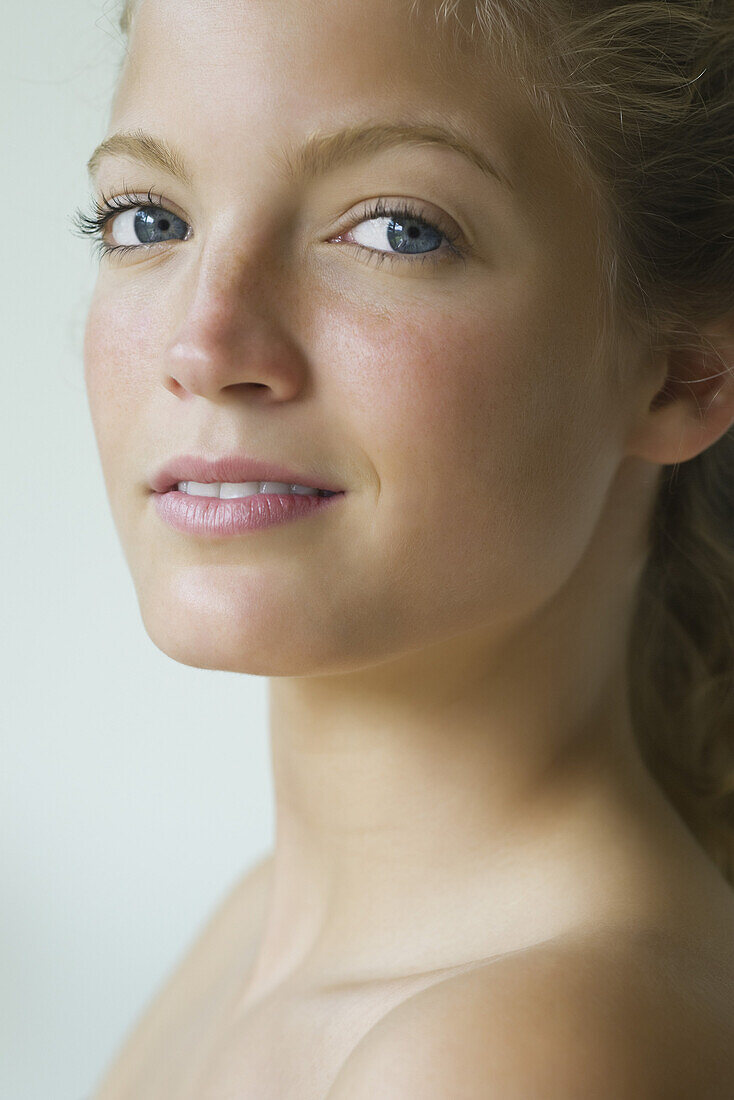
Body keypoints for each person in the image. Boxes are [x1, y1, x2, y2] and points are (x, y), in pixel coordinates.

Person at [72, 0, 734, 1095]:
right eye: (149, 219)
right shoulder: (252, 932)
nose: (204, 343)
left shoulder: (512, 1047)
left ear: (681, 371)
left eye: (394, 229)